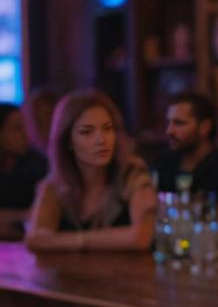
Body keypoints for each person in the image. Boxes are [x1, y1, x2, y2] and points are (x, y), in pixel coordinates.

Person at [25, 89, 156, 251]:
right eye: (86, 132)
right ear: (68, 142)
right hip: (70, 276)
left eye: (107, 129)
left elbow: (141, 237)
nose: (101, 140)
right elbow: (35, 239)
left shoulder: (132, 173)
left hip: (128, 275)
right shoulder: (55, 184)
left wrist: (71, 241)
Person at [152, 91, 218, 197]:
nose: (169, 131)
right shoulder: (163, 163)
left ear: (204, 127)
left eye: (179, 123)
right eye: (168, 122)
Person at [0, 103, 48, 240]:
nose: (26, 134)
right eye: (17, 128)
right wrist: (22, 215)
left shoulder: (38, 164)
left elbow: (41, 216)